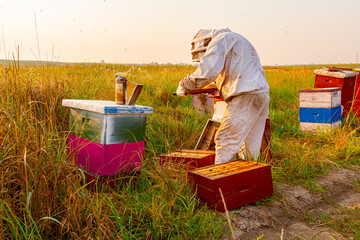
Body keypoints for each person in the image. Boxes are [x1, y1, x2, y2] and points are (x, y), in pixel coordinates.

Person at [176, 28, 270, 164]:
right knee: (250, 145)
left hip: (244, 95)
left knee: (225, 140)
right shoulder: (235, 39)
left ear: (204, 43)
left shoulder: (219, 41)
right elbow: (232, 70)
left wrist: (185, 85)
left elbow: (207, 72)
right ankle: (245, 179)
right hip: (261, 94)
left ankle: (219, 180)